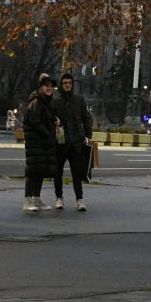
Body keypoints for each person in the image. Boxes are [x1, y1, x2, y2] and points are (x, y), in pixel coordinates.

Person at [53, 70, 95, 211]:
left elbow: (87, 118)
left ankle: (80, 199)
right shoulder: (56, 101)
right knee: (57, 172)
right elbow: (50, 119)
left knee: (77, 173)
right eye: (65, 83)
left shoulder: (79, 100)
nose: (67, 85)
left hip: (76, 143)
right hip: (60, 143)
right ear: (61, 85)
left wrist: (87, 135)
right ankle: (59, 198)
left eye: (70, 83)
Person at [21, 73, 62, 214]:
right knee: (33, 172)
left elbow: (45, 118)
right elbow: (34, 121)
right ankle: (27, 201)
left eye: (52, 86)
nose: (50, 88)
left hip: (42, 143)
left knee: (39, 171)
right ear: (41, 87)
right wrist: (47, 134)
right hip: (37, 142)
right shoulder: (37, 101)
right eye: (47, 86)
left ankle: (36, 199)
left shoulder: (45, 102)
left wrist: (54, 119)